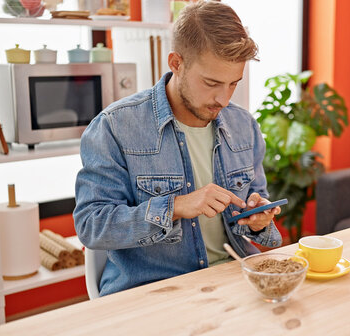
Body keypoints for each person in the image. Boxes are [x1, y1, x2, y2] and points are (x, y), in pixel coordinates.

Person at [73, 0, 282, 296]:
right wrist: (177, 207)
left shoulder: (243, 125)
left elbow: (253, 204)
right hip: (154, 292)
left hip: (234, 281)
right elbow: (91, 226)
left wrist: (258, 218)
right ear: (176, 63)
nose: (223, 99)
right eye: (211, 82)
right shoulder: (115, 127)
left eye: (234, 83)